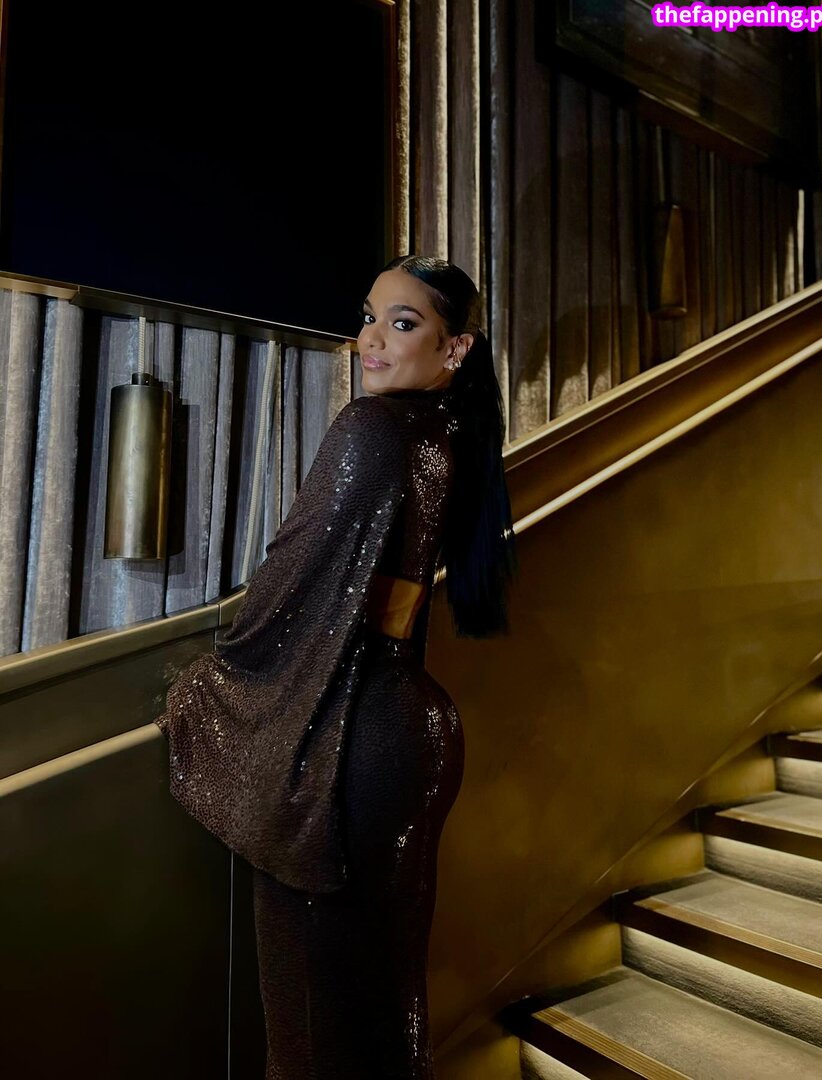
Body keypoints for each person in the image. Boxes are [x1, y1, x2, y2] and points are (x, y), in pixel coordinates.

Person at [154, 254, 518, 1078]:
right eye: (368, 317)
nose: (371, 341)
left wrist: (203, 689)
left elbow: (291, 584)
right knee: (389, 1006)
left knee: (310, 1032)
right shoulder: (451, 435)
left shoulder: (372, 429)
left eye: (402, 323)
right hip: (416, 731)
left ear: (455, 349)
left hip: (351, 745)